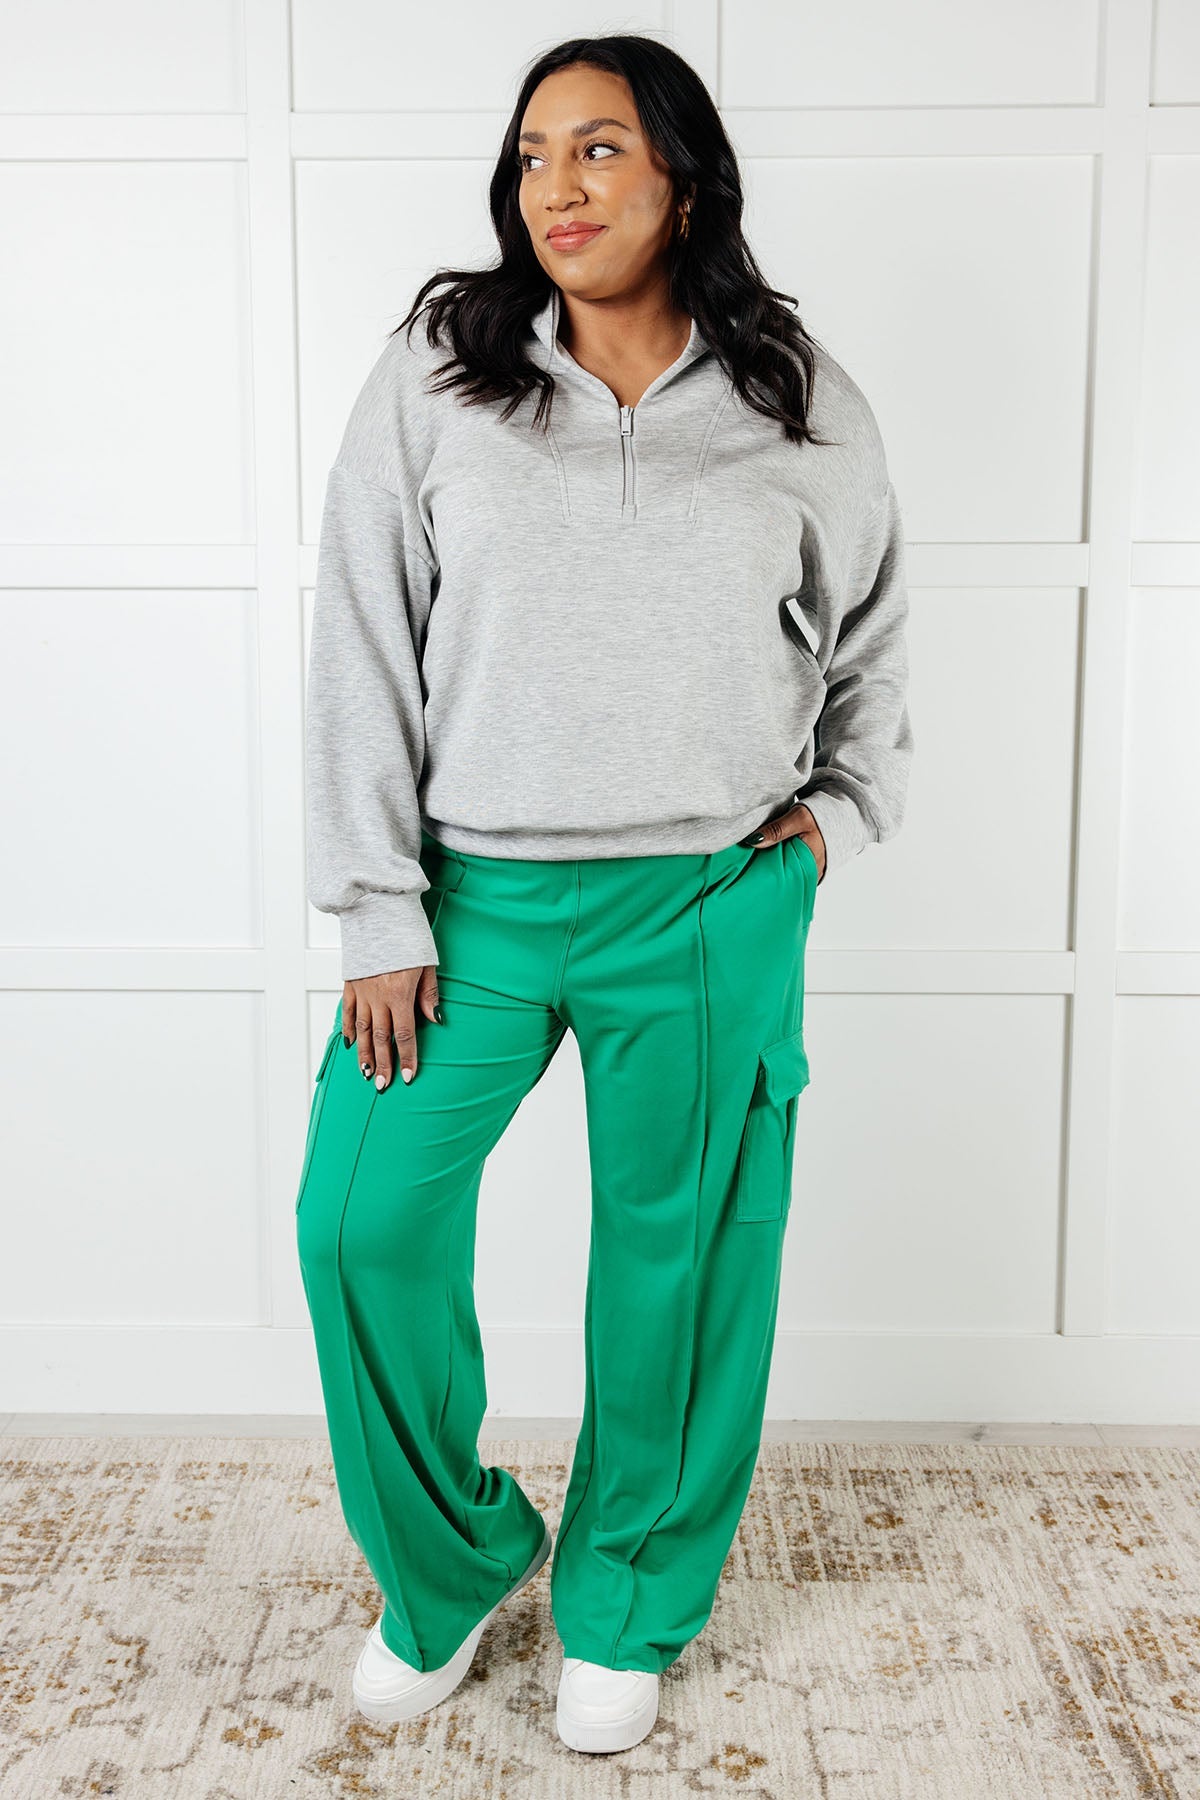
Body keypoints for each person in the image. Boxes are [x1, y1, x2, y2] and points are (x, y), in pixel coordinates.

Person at [295, 32, 914, 1756]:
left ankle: (628, 1597)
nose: (552, 189)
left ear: (683, 182)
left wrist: (832, 825)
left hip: (707, 901)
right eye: (530, 155)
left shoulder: (799, 396)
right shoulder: (441, 374)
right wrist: (376, 907)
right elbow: (359, 638)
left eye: (596, 150)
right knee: (358, 1221)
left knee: (680, 1270)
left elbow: (873, 649)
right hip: (469, 907)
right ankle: (451, 1562)